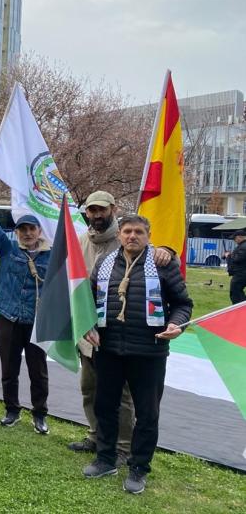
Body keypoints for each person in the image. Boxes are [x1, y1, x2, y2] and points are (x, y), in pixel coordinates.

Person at [82, 215, 192, 494]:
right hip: (108, 350)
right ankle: (105, 459)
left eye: (139, 232)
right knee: (105, 407)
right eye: (128, 231)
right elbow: (88, 301)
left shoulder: (163, 263)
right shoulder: (104, 263)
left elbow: (183, 304)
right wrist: (87, 325)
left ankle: (139, 467)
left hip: (149, 351)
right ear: (119, 234)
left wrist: (176, 324)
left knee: (147, 413)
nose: (132, 236)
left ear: (148, 235)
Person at [69, 191, 172, 459]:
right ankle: (97, 436)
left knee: (123, 397)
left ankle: (123, 447)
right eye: (92, 210)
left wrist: (166, 250)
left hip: (120, 336)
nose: (97, 214)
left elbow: (154, 255)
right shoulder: (81, 241)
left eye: (102, 209)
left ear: (113, 209)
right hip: (91, 331)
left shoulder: (126, 238)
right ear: (87, 213)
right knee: (91, 389)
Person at [0, 178, 51, 431]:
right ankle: (12, 410)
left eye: (32, 229)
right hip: (9, 316)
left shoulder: (53, 255)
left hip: (38, 320)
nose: (27, 233)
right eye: (23, 229)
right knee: (9, 367)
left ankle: (39, 414)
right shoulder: (8, 249)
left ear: (39, 231)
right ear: (17, 232)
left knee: (38, 370)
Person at [225, 228, 246, 304]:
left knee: (235, 292)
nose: (234, 241)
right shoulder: (242, 246)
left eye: (235, 238)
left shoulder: (243, 246)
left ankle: (240, 308)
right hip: (242, 273)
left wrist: (228, 256)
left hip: (241, 274)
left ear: (239, 237)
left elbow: (237, 259)